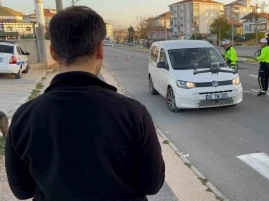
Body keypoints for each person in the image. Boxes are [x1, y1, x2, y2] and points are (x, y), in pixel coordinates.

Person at [5, 6, 165, 201]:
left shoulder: (24, 117)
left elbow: (22, 191)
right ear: (99, 49)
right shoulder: (133, 114)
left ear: (53, 52)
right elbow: (152, 184)